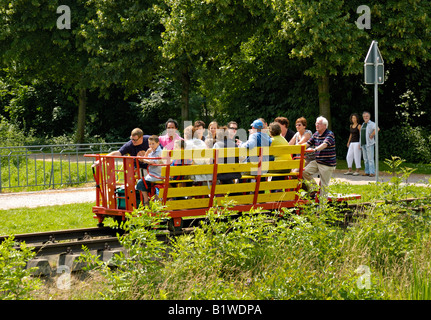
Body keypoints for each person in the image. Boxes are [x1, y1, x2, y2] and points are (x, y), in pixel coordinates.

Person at [303, 116, 336, 198]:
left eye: (319, 124)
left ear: (325, 125)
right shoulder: (316, 134)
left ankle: (322, 208)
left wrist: (315, 149)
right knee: (304, 172)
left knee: (323, 186)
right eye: (316, 124)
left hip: (327, 164)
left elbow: (325, 144)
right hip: (318, 161)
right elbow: (307, 143)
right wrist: (298, 148)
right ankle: (314, 188)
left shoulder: (329, 134)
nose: (317, 125)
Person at [136, 135, 163, 206]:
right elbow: (146, 159)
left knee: (141, 182)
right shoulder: (152, 152)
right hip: (152, 174)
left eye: (153, 144)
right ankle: (147, 200)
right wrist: (147, 153)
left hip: (157, 175)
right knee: (141, 182)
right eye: (150, 144)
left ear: (158, 143)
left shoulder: (159, 152)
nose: (151, 145)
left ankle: (146, 201)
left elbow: (154, 162)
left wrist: (143, 160)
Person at [360, 111, 379, 177]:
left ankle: (372, 172)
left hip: (369, 144)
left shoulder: (371, 123)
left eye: (367, 116)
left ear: (369, 117)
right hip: (363, 144)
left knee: (370, 159)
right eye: (364, 116)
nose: (365, 117)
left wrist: (372, 134)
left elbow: (377, 129)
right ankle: (367, 172)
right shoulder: (363, 124)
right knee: (365, 159)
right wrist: (360, 144)